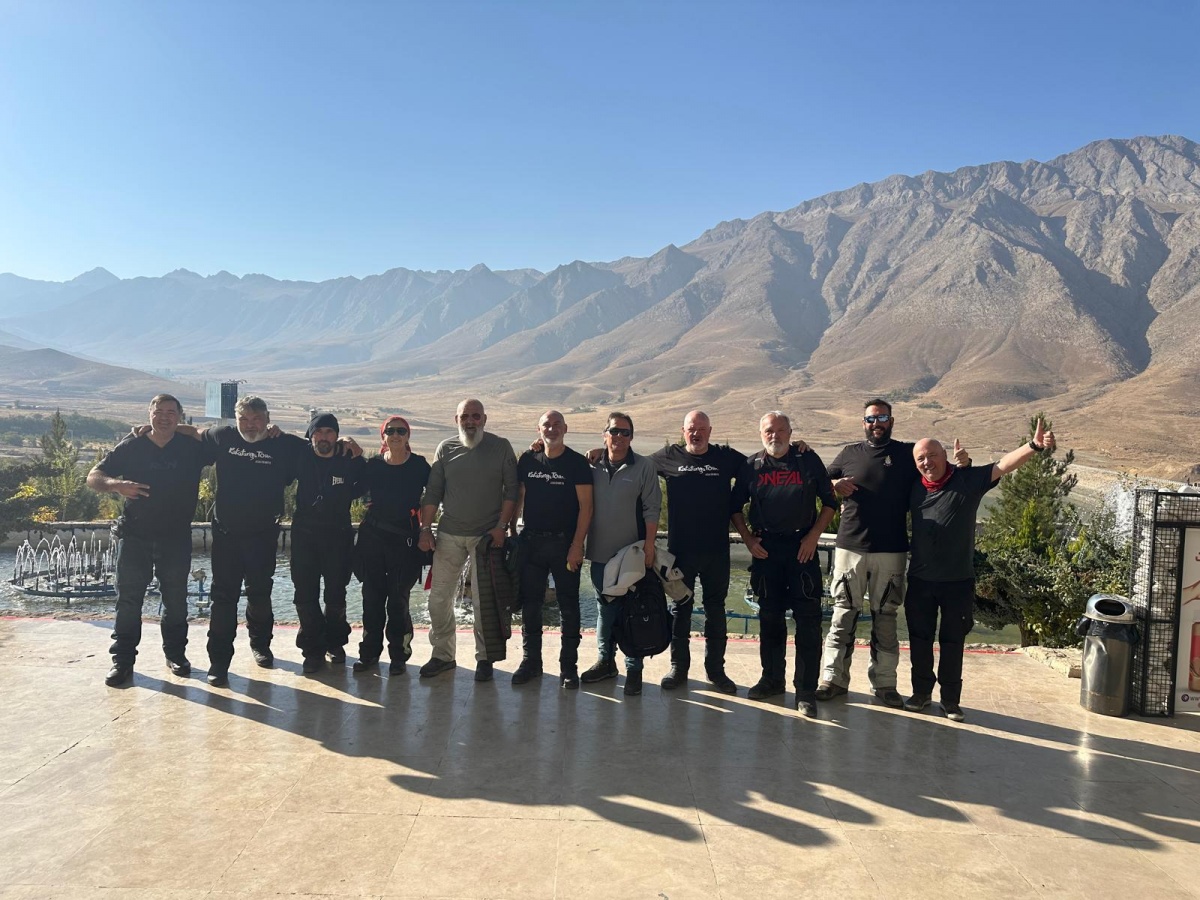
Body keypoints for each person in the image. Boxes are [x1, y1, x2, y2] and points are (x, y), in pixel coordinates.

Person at [816, 399, 968, 708]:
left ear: (891, 421)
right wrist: (834, 483)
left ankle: (884, 684)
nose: (876, 423)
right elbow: (819, 481)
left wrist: (963, 464)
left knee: (885, 619)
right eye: (871, 419)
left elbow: (938, 473)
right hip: (850, 547)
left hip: (892, 549)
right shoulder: (849, 453)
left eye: (882, 417)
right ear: (863, 423)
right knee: (843, 614)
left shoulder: (906, 454)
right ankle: (833, 679)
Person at [904, 418, 1056, 722]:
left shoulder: (967, 480)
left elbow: (1003, 465)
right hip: (920, 581)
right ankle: (921, 694)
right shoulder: (912, 487)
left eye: (932, 455)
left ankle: (950, 700)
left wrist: (1034, 446)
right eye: (920, 458)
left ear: (945, 456)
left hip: (957, 581)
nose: (927, 462)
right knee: (919, 640)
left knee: (953, 642)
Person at [87, 394, 209, 686]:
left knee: (175, 601)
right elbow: (93, 476)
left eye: (171, 413)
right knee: (129, 602)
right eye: (159, 412)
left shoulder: (192, 448)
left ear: (180, 416)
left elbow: (214, 436)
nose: (164, 417)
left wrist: (181, 429)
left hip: (175, 538)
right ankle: (122, 661)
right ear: (149, 414)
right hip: (135, 537)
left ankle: (176, 655)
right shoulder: (132, 445)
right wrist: (116, 485)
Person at [731, 411, 836, 717]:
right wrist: (748, 540)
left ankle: (805, 691)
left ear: (790, 433)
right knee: (770, 619)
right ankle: (772, 680)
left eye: (780, 430)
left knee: (808, 622)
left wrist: (813, 537)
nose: (774, 435)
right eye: (768, 431)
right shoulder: (751, 465)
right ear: (761, 434)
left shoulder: (808, 460)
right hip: (766, 550)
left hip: (802, 548)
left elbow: (830, 503)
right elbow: (734, 508)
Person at [200, 396, 309, 687]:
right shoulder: (222, 436)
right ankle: (219, 662)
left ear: (267, 419)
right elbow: (192, 434)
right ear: (236, 420)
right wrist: (147, 430)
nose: (250, 425)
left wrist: (347, 441)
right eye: (244, 419)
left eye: (256, 419)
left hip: (263, 536)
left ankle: (260, 645)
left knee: (259, 593)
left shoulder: (282, 444)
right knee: (223, 599)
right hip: (226, 536)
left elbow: (321, 445)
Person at [417, 399, 519, 682]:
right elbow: (433, 492)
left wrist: (502, 527)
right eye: (465, 416)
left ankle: (484, 658)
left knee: (483, 603)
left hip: (486, 538)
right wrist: (425, 529)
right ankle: (442, 655)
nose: (470, 421)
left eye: (475, 416)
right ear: (456, 420)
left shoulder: (501, 447)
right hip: (449, 534)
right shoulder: (445, 448)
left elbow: (512, 491)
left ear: (484, 419)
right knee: (438, 599)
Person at [650, 410, 743, 694]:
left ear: (710, 431)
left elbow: (761, 465)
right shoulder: (669, 456)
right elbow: (633, 464)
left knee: (716, 610)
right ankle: (678, 668)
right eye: (691, 428)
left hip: (717, 551)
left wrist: (797, 450)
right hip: (681, 552)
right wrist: (599, 453)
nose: (696, 433)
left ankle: (716, 671)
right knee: (681, 609)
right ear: (683, 431)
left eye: (702, 429)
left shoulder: (725, 457)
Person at [580, 412, 661, 697]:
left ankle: (634, 669)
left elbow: (652, 509)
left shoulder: (644, 467)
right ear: (605, 434)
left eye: (625, 432)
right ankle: (605, 662)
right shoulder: (591, 465)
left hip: (632, 555)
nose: (619, 437)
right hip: (599, 554)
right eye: (614, 431)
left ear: (632, 437)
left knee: (633, 611)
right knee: (605, 610)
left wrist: (649, 546)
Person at [513, 410, 593, 688]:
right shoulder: (527, 459)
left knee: (568, 606)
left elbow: (586, 507)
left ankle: (568, 667)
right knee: (530, 605)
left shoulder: (576, 463)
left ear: (566, 429)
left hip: (564, 545)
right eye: (546, 424)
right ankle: (531, 662)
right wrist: (511, 533)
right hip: (531, 543)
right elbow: (518, 496)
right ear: (539, 430)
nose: (552, 429)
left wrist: (577, 546)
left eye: (557, 424)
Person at [353, 415, 431, 676]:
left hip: (404, 541)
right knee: (372, 598)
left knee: (398, 601)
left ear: (408, 436)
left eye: (401, 431)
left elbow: (436, 495)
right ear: (383, 435)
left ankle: (399, 656)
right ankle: (369, 654)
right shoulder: (373, 465)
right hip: (373, 539)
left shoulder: (419, 466)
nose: (395, 435)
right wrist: (349, 447)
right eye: (390, 431)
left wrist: (426, 531)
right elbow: (352, 487)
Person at [291, 413, 366, 673]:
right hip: (304, 537)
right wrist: (272, 427)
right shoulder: (299, 455)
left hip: (338, 537)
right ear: (310, 435)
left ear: (337, 435)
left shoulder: (350, 459)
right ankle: (312, 649)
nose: (324, 437)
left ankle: (335, 643)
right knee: (304, 594)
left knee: (336, 593)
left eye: (329, 432)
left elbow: (366, 483)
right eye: (318, 432)